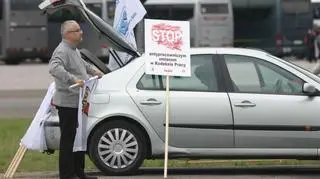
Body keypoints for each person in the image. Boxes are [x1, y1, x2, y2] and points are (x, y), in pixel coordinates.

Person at [49, 20, 102, 179]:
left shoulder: (73, 50)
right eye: (77, 30)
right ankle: (66, 175)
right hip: (68, 103)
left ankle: (79, 173)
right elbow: (54, 68)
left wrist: (93, 71)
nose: (81, 32)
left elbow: (82, 64)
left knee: (79, 139)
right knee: (68, 140)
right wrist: (73, 80)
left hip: (79, 102)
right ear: (68, 34)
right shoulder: (62, 50)